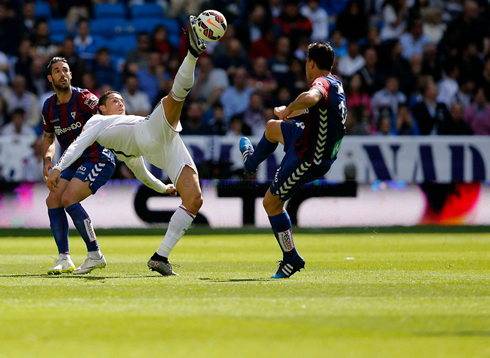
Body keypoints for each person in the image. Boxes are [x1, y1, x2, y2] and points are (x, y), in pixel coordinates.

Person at [46, 16, 207, 277]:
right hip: (151, 134)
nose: (120, 104)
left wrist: (163, 187)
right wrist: (58, 166)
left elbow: (144, 175)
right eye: (114, 101)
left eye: (122, 101)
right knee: (173, 99)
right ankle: (192, 53)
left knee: (194, 199)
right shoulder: (98, 122)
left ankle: (160, 257)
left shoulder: (126, 131)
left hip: (166, 141)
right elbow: (79, 145)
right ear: (101, 108)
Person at [239, 41, 346, 279]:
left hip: (310, 158)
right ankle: (250, 164)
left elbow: (310, 98)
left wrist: (288, 109)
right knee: (273, 127)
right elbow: (312, 109)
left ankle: (291, 258)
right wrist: (286, 114)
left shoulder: (320, 84)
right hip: (307, 140)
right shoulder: (337, 84)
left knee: (271, 203)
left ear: (310, 63)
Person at [42, 56, 116, 275]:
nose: (62, 74)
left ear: (71, 75)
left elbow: (109, 120)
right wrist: (47, 161)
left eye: (65, 70)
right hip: (74, 161)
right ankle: (64, 258)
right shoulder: (48, 107)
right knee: (53, 200)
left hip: (98, 157)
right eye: (57, 71)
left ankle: (95, 254)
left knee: (68, 198)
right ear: (50, 78)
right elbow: (48, 139)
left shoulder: (84, 98)